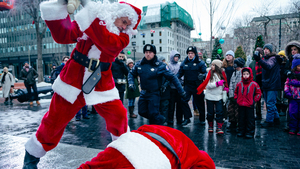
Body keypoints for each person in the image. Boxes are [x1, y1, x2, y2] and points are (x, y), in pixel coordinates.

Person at [22, 0, 142, 168]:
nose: (125, 26)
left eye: (128, 24)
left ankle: (124, 153)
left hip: (101, 83)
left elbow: (108, 42)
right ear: (116, 15)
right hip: (73, 79)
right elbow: (64, 35)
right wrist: (60, 7)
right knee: (53, 122)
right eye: (124, 21)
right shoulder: (92, 21)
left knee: (119, 117)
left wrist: (89, 10)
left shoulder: (122, 36)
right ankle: (31, 158)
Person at [79, 125, 215, 169]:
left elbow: (143, 128)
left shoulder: (184, 143)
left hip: (128, 144)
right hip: (154, 159)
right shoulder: (196, 158)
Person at [128, 44, 188, 125]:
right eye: (146, 52)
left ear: (154, 53)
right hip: (143, 93)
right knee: (141, 112)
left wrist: (181, 91)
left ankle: (157, 128)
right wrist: (131, 83)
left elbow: (172, 77)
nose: (148, 54)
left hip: (154, 94)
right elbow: (131, 73)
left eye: (150, 52)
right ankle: (162, 119)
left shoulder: (160, 65)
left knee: (153, 114)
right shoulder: (139, 64)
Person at [177, 46, 207, 126]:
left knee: (199, 103)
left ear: (195, 54)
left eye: (192, 53)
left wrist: (203, 75)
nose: (190, 55)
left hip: (197, 86)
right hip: (188, 85)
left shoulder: (200, 63)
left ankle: (202, 119)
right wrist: (175, 78)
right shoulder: (184, 62)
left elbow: (206, 73)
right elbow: (180, 73)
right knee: (183, 100)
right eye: (189, 53)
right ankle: (187, 118)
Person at [197, 59, 228, 134]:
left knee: (219, 112)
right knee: (210, 112)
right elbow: (207, 85)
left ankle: (219, 127)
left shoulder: (222, 74)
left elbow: (225, 82)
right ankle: (210, 126)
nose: (212, 66)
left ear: (218, 66)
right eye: (211, 65)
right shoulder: (209, 73)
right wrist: (217, 84)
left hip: (219, 96)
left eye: (214, 65)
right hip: (210, 96)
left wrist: (225, 87)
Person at [253, 43, 281, 127]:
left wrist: (259, 60)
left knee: (270, 103)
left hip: (272, 84)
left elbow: (268, 66)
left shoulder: (272, 58)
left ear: (271, 50)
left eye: (267, 49)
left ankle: (269, 121)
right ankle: (276, 119)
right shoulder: (266, 58)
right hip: (266, 84)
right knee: (271, 103)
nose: (265, 50)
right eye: (265, 49)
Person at [234, 67, 262, 138]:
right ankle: (241, 131)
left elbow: (258, 93)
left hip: (249, 104)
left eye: (247, 74)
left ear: (250, 74)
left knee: (250, 119)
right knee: (241, 118)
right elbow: (235, 92)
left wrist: (254, 100)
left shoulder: (254, 84)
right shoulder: (239, 84)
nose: (245, 75)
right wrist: (236, 99)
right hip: (241, 104)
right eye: (244, 74)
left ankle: (249, 132)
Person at [284, 41, 300, 131]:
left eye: (295, 49)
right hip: (292, 88)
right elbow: (285, 70)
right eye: (292, 50)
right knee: (291, 109)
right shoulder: (289, 60)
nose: (293, 51)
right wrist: (288, 73)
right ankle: (290, 125)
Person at [227, 57, 245, 131]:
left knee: (238, 111)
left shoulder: (242, 73)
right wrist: (231, 95)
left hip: (239, 97)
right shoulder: (234, 73)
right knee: (231, 110)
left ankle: (239, 124)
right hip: (233, 96)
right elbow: (231, 83)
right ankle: (232, 123)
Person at [167, 50, 183, 125]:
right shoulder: (169, 65)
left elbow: (182, 74)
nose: (176, 58)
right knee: (171, 105)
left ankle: (179, 119)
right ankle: (170, 119)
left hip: (179, 88)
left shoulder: (180, 64)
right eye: (175, 57)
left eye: (177, 57)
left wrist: (182, 80)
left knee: (179, 105)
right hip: (171, 88)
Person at [249, 47, 264, 120]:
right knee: (256, 100)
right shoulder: (252, 63)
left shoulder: (264, 62)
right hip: (255, 83)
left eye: (259, 53)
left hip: (263, 83)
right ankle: (258, 114)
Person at [222, 50, 235, 120]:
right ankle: (224, 115)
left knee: (232, 101)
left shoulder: (234, 66)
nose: (228, 56)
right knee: (224, 101)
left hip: (232, 85)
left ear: (233, 57)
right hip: (225, 86)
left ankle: (232, 116)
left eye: (230, 55)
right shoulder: (223, 66)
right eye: (227, 55)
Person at [158, 56, 171, 122]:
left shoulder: (166, 68)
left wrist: (165, 85)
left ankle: (165, 120)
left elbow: (169, 78)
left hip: (165, 90)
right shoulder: (157, 68)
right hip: (158, 90)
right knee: (160, 107)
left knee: (165, 106)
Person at [277, 50, 289, 117]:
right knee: (278, 96)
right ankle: (279, 109)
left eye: (282, 56)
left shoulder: (286, 63)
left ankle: (283, 110)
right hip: (279, 81)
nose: (281, 57)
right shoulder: (278, 63)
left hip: (284, 81)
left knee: (285, 97)